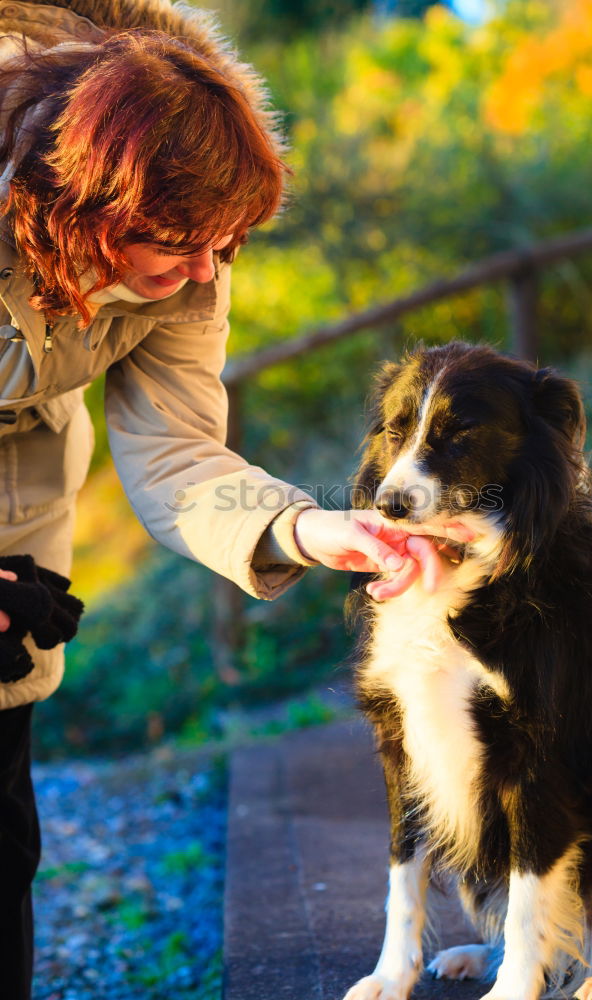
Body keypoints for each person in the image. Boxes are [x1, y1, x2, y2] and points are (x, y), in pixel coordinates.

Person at [0, 2, 448, 996]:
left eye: (226, 246)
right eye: (180, 247)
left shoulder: (196, 250)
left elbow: (173, 449)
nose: (207, 274)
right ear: (81, 207)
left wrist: (303, 525)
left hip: (15, 508)